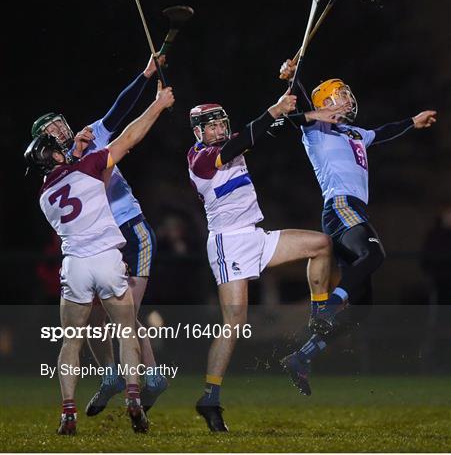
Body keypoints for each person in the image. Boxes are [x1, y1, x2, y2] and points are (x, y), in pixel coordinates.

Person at [187, 90, 349, 432]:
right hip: (227, 243)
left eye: (220, 124)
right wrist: (272, 108)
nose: (217, 130)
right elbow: (242, 139)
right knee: (235, 322)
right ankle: (210, 397)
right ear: (198, 132)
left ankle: (320, 314)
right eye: (210, 126)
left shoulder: (234, 139)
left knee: (320, 244)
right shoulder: (199, 157)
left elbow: (268, 128)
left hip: (254, 237)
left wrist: (309, 116)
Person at [24, 82, 175, 434]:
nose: (61, 131)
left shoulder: (44, 195)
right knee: (123, 325)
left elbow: (116, 114)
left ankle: (69, 411)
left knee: (72, 340)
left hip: (77, 263)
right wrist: (157, 106)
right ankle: (135, 392)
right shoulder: (88, 164)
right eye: (53, 133)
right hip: (108, 253)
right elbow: (128, 138)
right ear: (53, 151)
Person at [278, 60, 437, 372]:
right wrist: (293, 77)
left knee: (363, 309)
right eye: (340, 95)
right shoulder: (317, 129)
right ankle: (326, 310)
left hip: (353, 211)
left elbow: (382, 132)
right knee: (374, 254)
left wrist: (412, 122)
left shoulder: (355, 132)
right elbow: (296, 116)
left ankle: (300, 358)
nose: (348, 99)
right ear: (325, 103)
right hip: (340, 206)